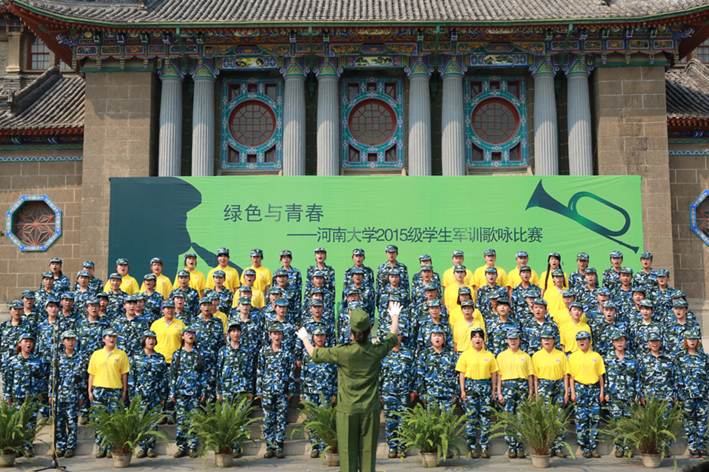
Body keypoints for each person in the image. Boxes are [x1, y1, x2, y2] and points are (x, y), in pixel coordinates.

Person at [297, 304, 402, 472]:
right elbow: (392, 336)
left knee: (346, 454)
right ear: (370, 329)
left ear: (351, 330)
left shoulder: (342, 352)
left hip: (347, 410)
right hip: (370, 410)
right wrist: (394, 316)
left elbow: (313, 353)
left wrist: (304, 338)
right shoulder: (377, 351)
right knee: (368, 455)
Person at [455, 326, 498, 459]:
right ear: (471, 339)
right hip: (471, 387)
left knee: (485, 419)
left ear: (483, 339)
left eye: (480, 337)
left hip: (485, 387)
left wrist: (493, 390)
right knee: (471, 418)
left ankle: (484, 447)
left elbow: (493, 374)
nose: (477, 339)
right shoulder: (465, 355)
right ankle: (472, 448)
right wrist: (462, 390)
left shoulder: (489, 355)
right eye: (475, 337)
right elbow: (462, 374)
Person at [2, 331, 47, 456]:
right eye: (26, 341)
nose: (28, 344)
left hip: (32, 397)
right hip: (17, 397)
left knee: (30, 422)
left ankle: (27, 447)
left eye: (31, 342)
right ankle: (18, 447)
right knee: (17, 423)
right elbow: (8, 380)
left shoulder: (37, 360)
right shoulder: (12, 361)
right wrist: (8, 395)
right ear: (20, 344)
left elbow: (41, 379)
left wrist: (41, 394)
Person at [87, 329, 130, 458]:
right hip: (99, 389)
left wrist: (124, 390)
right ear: (103, 339)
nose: (111, 339)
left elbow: (124, 374)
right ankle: (101, 447)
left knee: (113, 420)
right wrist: (90, 390)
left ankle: (111, 447)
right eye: (109, 336)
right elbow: (91, 374)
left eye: (114, 337)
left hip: (115, 389)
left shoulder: (121, 354)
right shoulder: (96, 354)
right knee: (99, 419)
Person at [257, 322, 295, 459]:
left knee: (281, 420)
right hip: (267, 391)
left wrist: (290, 391)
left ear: (282, 335)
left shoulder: (287, 352)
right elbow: (259, 372)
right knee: (268, 420)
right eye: (274, 334)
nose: (277, 337)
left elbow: (290, 373)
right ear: (270, 335)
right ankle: (269, 447)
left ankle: (279, 447)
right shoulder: (264, 352)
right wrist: (259, 390)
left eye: (279, 334)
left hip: (282, 392)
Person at [128, 330, 168, 458]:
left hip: (155, 395)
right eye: (148, 338)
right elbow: (132, 378)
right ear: (144, 340)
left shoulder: (160, 358)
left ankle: (151, 447)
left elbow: (164, 378)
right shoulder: (136, 357)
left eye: (153, 339)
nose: (151, 341)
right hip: (140, 395)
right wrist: (131, 396)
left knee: (153, 422)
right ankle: (142, 447)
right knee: (141, 421)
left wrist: (163, 396)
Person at [300, 326, 337, 459]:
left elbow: (334, 376)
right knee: (312, 420)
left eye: (322, 335)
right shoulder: (307, 353)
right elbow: (303, 375)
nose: (320, 338)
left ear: (326, 337)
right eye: (317, 335)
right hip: (310, 392)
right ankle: (314, 446)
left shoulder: (330, 353)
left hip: (326, 393)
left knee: (324, 420)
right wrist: (302, 394)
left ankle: (323, 447)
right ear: (313, 337)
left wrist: (335, 393)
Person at [602, 328, 640, 458]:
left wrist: (637, 394)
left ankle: (628, 446)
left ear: (626, 342)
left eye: (622, 340)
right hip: (614, 395)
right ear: (613, 343)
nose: (619, 343)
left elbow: (637, 377)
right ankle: (619, 446)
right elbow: (605, 377)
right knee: (616, 421)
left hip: (629, 395)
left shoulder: (632, 358)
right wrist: (606, 392)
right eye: (617, 341)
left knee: (629, 421)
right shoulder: (608, 358)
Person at [496, 328, 534, 458]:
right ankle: (511, 447)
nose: (513, 341)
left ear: (520, 340)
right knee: (509, 418)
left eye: (515, 339)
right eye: (510, 339)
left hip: (522, 386)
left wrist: (530, 392)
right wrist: (499, 392)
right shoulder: (501, 356)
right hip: (507, 386)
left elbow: (530, 376)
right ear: (507, 341)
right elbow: (499, 376)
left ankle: (520, 446)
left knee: (521, 417)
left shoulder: (526, 356)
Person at [49, 330, 87, 458]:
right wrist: (51, 394)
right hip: (59, 395)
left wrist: (81, 395)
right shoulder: (57, 358)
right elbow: (52, 378)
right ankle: (60, 446)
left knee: (72, 423)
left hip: (73, 395)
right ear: (62, 342)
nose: (70, 342)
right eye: (68, 339)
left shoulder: (81, 358)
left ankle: (70, 447)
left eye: (73, 339)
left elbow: (83, 379)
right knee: (59, 423)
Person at [169, 326, 206, 458]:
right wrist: (172, 392)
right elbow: (172, 375)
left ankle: (192, 447)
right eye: (188, 333)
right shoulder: (177, 354)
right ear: (182, 336)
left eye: (193, 333)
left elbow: (203, 375)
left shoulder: (199, 354)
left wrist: (203, 392)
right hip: (181, 393)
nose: (191, 335)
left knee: (194, 420)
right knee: (181, 421)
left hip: (195, 393)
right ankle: (181, 447)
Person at [567, 330, 605, 458]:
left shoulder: (596, 356)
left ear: (589, 341)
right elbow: (571, 377)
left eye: (584, 339)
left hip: (594, 389)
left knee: (594, 418)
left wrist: (602, 391)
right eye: (579, 340)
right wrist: (572, 392)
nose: (581, 342)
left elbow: (600, 375)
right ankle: (584, 447)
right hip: (580, 388)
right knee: (581, 419)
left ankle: (593, 447)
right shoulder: (572, 357)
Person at [532, 327, 569, 458]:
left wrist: (566, 392)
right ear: (541, 340)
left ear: (554, 340)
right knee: (545, 417)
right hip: (543, 386)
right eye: (544, 339)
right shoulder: (536, 356)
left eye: (549, 338)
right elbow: (535, 377)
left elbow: (565, 375)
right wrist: (536, 394)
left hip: (558, 386)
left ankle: (558, 447)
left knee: (559, 417)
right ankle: (546, 447)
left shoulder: (561, 355)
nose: (546, 341)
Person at [379, 326, 415, 458]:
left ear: (401, 336)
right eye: (393, 335)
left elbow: (413, 373)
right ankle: (392, 447)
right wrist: (379, 392)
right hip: (388, 392)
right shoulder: (383, 353)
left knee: (403, 420)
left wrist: (414, 391)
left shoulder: (408, 353)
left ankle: (402, 447)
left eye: (398, 335)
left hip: (404, 392)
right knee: (390, 421)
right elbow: (379, 374)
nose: (396, 337)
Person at [675, 330, 709, 458]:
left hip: (702, 395)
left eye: (694, 339)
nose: (692, 341)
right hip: (687, 396)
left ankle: (702, 447)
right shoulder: (680, 357)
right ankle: (693, 447)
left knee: (702, 421)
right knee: (689, 422)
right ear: (685, 341)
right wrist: (680, 395)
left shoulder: (704, 357)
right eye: (689, 339)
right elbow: (678, 377)